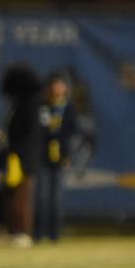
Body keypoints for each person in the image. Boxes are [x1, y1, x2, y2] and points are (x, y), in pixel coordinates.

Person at [0, 64, 43, 248]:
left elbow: (31, 133)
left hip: (23, 158)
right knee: (10, 194)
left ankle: (22, 233)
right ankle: (13, 231)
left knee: (21, 196)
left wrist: (18, 151)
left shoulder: (31, 103)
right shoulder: (18, 103)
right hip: (14, 156)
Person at [34, 72, 76, 243]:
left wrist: (66, 154)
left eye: (60, 85)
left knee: (56, 198)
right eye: (54, 85)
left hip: (60, 158)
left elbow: (70, 132)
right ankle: (38, 234)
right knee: (41, 197)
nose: (56, 88)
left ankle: (54, 235)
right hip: (43, 157)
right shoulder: (43, 106)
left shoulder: (68, 107)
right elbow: (41, 130)